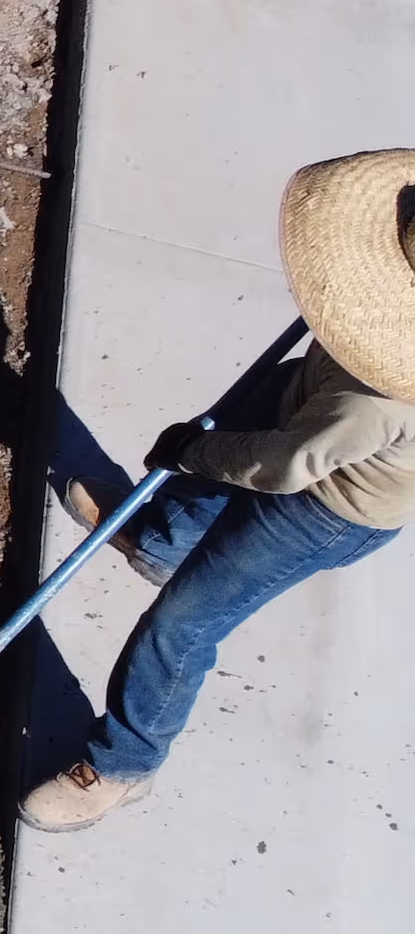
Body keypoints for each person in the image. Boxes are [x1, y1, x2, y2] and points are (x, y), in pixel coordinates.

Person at [25, 149, 415, 831]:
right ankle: (157, 543)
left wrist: (194, 452)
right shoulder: (373, 358)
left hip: (325, 508)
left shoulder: (379, 398)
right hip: (308, 412)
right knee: (217, 481)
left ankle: (123, 764)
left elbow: (286, 467)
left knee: (184, 623)